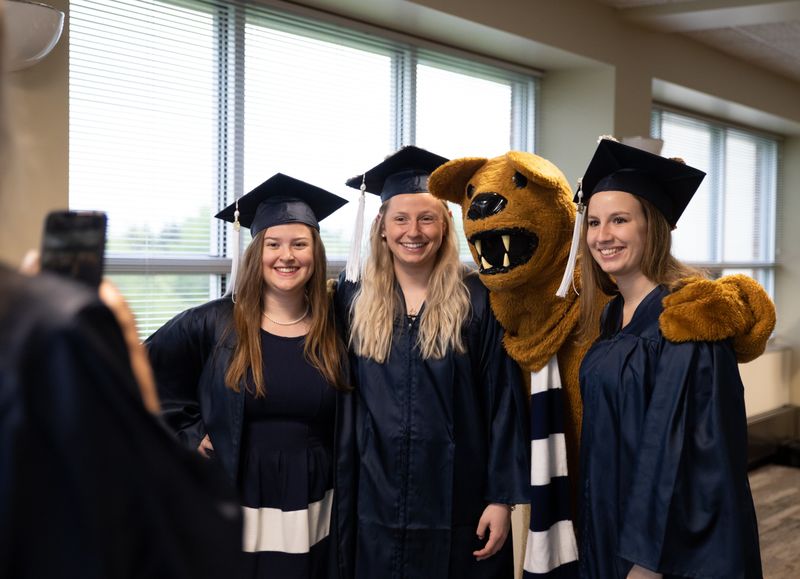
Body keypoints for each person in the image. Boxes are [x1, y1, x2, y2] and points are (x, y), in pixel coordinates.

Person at [0, 5, 243, 576]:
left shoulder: (335, 316)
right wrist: (132, 370)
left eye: (301, 243)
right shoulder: (47, 328)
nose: (289, 257)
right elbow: (173, 540)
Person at [335, 146, 530, 578]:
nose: (414, 231)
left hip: (458, 500)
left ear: (445, 228)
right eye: (400, 219)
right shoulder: (352, 298)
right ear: (381, 228)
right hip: (373, 499)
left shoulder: (479, 299)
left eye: (427, 218)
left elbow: (503, 403)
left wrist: (501, 499)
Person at [146, 174, 351, 578]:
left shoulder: (335, 328)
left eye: (299, 244)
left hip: (314, 503)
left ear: (316, 252)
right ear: (256, 252)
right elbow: (136, 374)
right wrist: (189, 433)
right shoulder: (212, 323)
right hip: (237, 496)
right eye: (273, 244)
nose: (286, 256)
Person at [576, 138, 763, 578]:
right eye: (595, 221)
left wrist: (648, 560)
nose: (603, 236)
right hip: (607, 522)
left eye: (619, 220)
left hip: (665, 547)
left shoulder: (686, 319)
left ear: (651, 227)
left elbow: (694, 456)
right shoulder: (611, 314)